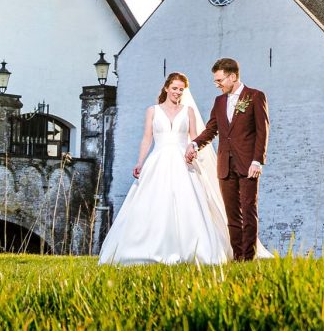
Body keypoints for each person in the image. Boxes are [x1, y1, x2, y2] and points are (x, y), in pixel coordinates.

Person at [97, 73, 234, 266]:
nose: (177, 92)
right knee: (155, 201)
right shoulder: (152, 111)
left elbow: (194, 138)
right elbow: (147, 138)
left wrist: (193, 150)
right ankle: (145, 248)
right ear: (166, 88)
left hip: (182, 162)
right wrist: (140, 162)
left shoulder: (188, 112)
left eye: (181, 89)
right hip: (158, 160)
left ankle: (193, 248)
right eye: (174, 88)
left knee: (187, 202)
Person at [186, 57, 270, 261]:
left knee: (248, 210)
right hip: (225, 164)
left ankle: (249, 257)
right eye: (216, 81)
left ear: (233, 76)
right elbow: (212, 129)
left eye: (220, 80)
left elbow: (262, 131)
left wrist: (257, 161)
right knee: (232, 214)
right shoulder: (219, 101)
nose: (217, 84)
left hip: (248, 164)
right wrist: (196, 144)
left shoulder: (255, 96)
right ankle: (238, 255)